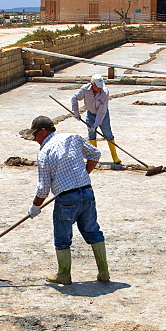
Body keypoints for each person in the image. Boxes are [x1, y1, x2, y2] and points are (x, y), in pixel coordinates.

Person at [24, 115, 110, 284]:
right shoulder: (73, 137)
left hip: (66, 200)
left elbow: (43, 188)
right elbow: (95, 154)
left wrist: (35, 207)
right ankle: (104, 272)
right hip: (87, 193)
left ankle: (64, 274)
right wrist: (83, 175)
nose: (34, 139)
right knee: (93, 231)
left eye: (35, 135)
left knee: (62, 237)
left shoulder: (44, 152)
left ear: (43, 131)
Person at [71, 74, 122, 164]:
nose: (100, 89)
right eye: (98, 87)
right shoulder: (85, 89)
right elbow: (74, 98)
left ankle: (115, 157)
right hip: (90, 114)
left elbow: (102, 112)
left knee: (108, 134)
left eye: (101, 86)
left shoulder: (105, 92)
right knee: (91, 135)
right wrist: (76, 113)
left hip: (103, 115)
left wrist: (96, 124)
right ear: (92, 84)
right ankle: (93, 158)